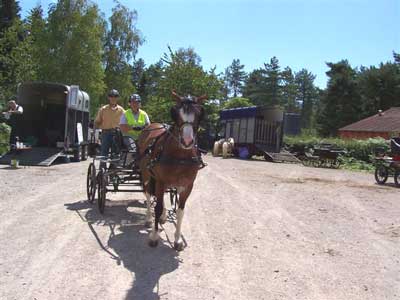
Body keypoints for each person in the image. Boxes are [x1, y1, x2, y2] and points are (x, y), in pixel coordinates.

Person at [94, 89, 124, 159]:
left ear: (118, 98)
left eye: (115, 96)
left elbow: (125, 123)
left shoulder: (121, 110)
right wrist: (95, 133)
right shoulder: (103, 109)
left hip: (117, 134)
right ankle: (102, 168)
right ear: (108, 97)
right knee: (104, 152)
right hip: (105, 133)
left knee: (115, 153)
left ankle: (113, 168)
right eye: (111, 96)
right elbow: (97, 121)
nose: (113, 98)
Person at [119, 94, 150, 160]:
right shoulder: (125, 113)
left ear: (140, 104)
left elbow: (148, 126)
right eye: (133, 102)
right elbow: (122, 127)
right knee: (133, 149)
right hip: (128, 136)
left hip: (141, 137)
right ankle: (129, 163)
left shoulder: (144, 114)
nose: (135, 104)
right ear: (129, 103)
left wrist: (143, 128)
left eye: (137, 102)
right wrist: (133, 128)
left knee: (149, 149)